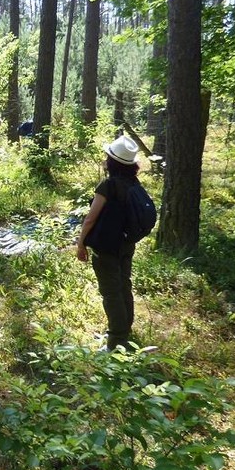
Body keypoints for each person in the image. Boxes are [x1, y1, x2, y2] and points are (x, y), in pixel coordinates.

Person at [76, 135, 142, 350]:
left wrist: (80, 243)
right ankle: (124, 331)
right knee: (124, 286)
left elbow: (91, 218)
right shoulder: (133, 183)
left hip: (106, 247)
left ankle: (116, 341)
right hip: (126, 244)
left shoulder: (108, 185)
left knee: (111, 292)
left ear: (112, 161)